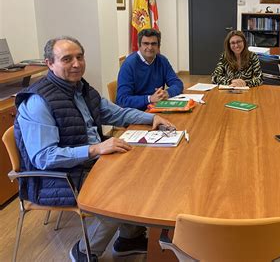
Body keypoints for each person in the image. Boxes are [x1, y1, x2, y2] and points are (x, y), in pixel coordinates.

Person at [15, 36, 175, 262]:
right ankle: (84, 252)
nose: (76, 64)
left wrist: (152, 118)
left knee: (144, 173)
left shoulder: (81, 89)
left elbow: (116, 113)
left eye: (79, 57)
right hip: (58, 177)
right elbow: (43, 157)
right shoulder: (38, 101)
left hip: (88, 163)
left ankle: (129, 239)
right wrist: (94, 149)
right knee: (120, 192)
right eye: (67, 59)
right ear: (49, 63)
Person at [117, 28, 183, 110]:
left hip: (157, 108)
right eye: (146, 43)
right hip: (137, 112)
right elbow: (122, 100)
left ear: (159, 46)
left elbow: (177, 83)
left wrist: (167, 93)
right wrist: (149, 99)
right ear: (139, 45)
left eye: (153, 44)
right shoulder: (128, 65)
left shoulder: (162, 60)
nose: (150, 47)